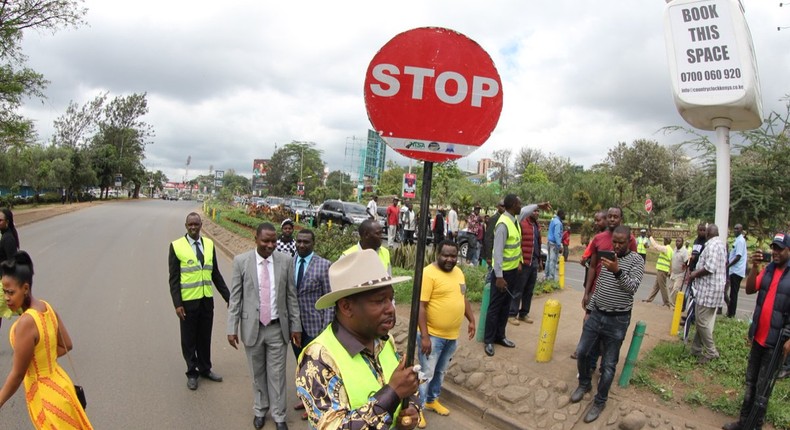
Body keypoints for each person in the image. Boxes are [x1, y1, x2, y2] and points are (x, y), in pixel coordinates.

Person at [295, 249, 420, 429]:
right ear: (346, 307)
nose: (391, 309)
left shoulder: (385, 341)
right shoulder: (317, 359)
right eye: (379, 301)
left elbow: (407, 387)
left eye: (391, 299)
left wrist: (411, 409)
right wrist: (392, 393)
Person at [0, 251, 93, 429]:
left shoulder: (26, 322)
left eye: (11, 292)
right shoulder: (46, 307)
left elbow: (18, 374)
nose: (6, 298)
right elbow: (67, 344)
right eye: (4, 292)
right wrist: (43, 361)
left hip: (46, 399)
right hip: (62, 388)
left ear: (25, 289)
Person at [227, 222, 301, 430]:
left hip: (278, 328)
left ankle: (279, 416)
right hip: (253, 327)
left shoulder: (286, 261)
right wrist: (231, 328)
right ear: (256, 239)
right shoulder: (241, 262)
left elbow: (291, 296)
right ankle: (260, 410)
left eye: (273, 241)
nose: (270, 245)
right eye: (265, 241)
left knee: (277, 374)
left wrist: (296, 326)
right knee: (257, 373)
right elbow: (236, 298)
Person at [570, 225, 644, 423]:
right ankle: (584, 383)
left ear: (629, 241)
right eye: (615, 242)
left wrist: (617, 271)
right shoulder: (607, 256)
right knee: (583, 351)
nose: (617, 246)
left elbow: (633, 288)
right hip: (596, 314)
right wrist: (590, 310)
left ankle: (600, 401)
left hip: (617, 320)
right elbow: (601, 284)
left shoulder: (637, 260)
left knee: (609, 365)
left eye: (621, 242)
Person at [721, 233, 790, 430]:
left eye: (780, 249)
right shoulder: (768, 269)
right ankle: (743, 422)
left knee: (763, 387)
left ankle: (755, 425)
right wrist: (754, 269)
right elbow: (750, 289)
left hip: (776, 342)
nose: (775, 252)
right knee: (750, 382)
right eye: (773, 248)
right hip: (758, 337)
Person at [417, 240, 475, 428]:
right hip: (432, 336)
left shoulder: (458, 273)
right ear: (437, 254)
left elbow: (462, 297)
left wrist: (472, 320)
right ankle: (417, 409)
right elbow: (421, 306)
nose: (450, 259)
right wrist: (425, 336)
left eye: (453, 256)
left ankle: (432, 400)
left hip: (451, 336)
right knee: (427, 373)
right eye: (446, 255)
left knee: (440, 372)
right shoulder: (428, 273)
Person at [168, 212, 230, 390]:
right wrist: (177, 304)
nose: (193, 227)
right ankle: (192, 372)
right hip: (187, 302)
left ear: (201, 224)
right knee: (189, 339)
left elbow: (215, 274)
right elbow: (173, 278)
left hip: (206, 301)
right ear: (186, 226)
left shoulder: (209, 245)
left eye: (196, 224)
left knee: (204, 337)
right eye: (190, 225)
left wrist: (228, 297)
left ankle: (205, 368)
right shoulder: (176, 246)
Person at [291, 229, 333, 420]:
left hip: (316, 326)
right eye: (299, 241)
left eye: (306, 242)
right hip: (295, 327)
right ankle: (307, 399)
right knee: (301, 364)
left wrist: (327, 328)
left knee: (318, 367)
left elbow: (330, 299)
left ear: (313, 243)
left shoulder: (324, 266)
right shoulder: (289, 262)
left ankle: (320, 405)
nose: (301, 245)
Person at [484, 194, 522, 357]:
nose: (521, 206)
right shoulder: (503, 225)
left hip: (512, 272)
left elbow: (514, 246)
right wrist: (499, 276)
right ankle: (489, 340)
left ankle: (500, 336)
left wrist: (518, 262)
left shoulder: (514, 220)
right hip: (502, 274)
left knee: (506, 306)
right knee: (495, 308)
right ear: (513, 205)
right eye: (519, 203)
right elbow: (498, 253)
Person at [570, 211, 608, 360]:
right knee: (588, 318)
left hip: (601, 286)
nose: (596, 223)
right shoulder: (597, 239)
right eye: (595, 220)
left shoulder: (612, 239)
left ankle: (587, 350)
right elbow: (587, 260)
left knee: (592, 320)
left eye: (598, 220)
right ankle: (584, 349)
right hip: (592, 284)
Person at [687, 224, 727, 364]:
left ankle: (711, 351)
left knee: (702, 322)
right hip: (710, 289)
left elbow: (709, 268)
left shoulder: (712, 246)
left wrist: (693, 274)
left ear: (709, 233)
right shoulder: (719, 244)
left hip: (708, 290)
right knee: (701, 320)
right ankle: (696, 349)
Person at [509, 201, 552, 326]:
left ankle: (524, 313)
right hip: (524, 262)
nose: (537, 213)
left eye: (538, 211)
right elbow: (518, 243)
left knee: (529, 290)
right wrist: (518, 261)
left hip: (533, 262)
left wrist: (539, 261)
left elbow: (537, 244)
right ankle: (512, 314)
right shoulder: (521, 223)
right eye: (535, 210)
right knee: (518, 289)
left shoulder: (536, 226)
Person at [0, 208, 20, 320]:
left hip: (3, 282)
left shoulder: (8, 239)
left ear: (7, 222)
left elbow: (12, 262)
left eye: (0, 220)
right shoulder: (4, 235)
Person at [643, 236, 674, 308]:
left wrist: (650, 237)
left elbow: (656, 246)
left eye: (664, 240)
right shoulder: (670, 249)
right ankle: (649, 300)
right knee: (656, 286)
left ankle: (667, 303)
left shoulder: (666, 248)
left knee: (662, 287)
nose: (663, 241)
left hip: (662, 270)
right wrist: (648, 247)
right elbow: (656, 248)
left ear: (666, 241)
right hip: (662, 269)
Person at [726, 223, 747, 318]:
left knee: (733, 294)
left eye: (737, 229)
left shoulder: (740, 241)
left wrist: (728, 266)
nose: (735, 230)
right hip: (734, 270)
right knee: (732, 293)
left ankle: (731, 314)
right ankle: (730, 312)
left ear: (741, 230)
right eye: (734, 228)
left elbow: (738, 256)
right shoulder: (738, 240)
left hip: (736, 271)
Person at [483, 201, 505, 268]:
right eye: (502, 206)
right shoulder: (494, 219)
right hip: (494, 254)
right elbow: (489, 238)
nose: (504, 208)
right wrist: (489, 256)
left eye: (505, 206)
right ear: (498, 207)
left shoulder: (506, 218)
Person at [668, 237, 689, 306]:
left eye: (679, 241)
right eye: (676, 241)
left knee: (676, 289)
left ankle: (673, 304)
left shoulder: (684, 251)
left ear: (682, 243)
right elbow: (672, 260)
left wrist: (685, 267)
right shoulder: (674, 249)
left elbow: (687, 262)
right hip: (673, 273)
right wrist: (670, 271)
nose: (677, 242)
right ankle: (675, 303)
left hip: (680, 274)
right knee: (670, 288)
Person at [545, 209, 565, 281]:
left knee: (548, 260)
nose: (564, 216)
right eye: (564, 214)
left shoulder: (553, 220)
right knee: (552, 261)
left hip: (549, 242)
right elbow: (557, 234)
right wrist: (559, 246)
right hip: (554, 244)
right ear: (561, 214)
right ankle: (551, 278)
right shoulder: (558, 223)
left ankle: (546, 276)